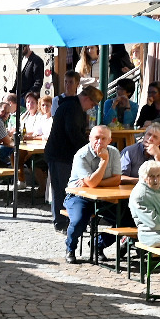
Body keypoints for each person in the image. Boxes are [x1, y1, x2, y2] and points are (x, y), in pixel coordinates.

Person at [63, 124, 122, 263]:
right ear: (90, 138)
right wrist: (103, 162)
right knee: (78, 221)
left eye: (103, 138)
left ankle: (98, 244)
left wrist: (93, 181)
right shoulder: (81, 155)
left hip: (103, 197)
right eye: (96, 138)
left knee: (126, 219)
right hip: (78, 196)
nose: (99, 142)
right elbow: (92, 183)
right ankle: (70, 248)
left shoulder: (113, 152)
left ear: (110, 140)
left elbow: (117, 180)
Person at [45, 83, 96, 233]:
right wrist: (87, 149)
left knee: (65, 188)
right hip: (60, 154)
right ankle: (60, 222)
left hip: (63, 154)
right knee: (61, 189)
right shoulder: (73, 108)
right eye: (91, 104)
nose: (91, 107)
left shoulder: (72, 106)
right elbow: (72, 132)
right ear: (86, 98)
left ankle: (69, 220)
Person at [129, 159, 160, 250]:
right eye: (151, 176)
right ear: (143, 176)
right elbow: (154, 223)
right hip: (152, 234)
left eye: (158, 176)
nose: (156, 180)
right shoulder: (140, 195)